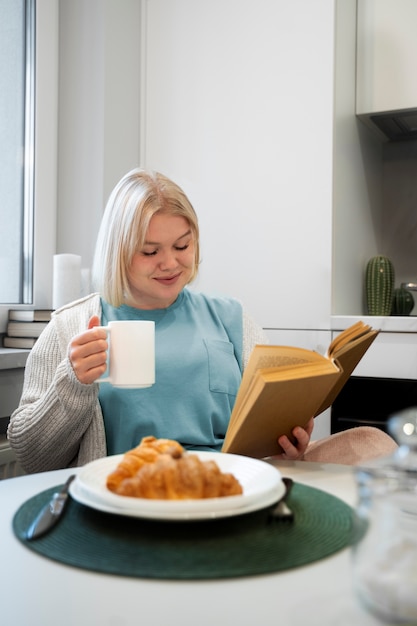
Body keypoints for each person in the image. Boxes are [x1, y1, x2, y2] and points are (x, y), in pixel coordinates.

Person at [8, 168, 397, 474]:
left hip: (232, 482)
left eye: (182, 245)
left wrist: (287, 446)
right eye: (149, 251)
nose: (171, 263)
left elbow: (265, 433)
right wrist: (73, 384)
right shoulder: (72, 328)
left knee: (376, 444)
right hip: (133, 489)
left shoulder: (230, 318)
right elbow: (32, 456)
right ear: (118, 251)